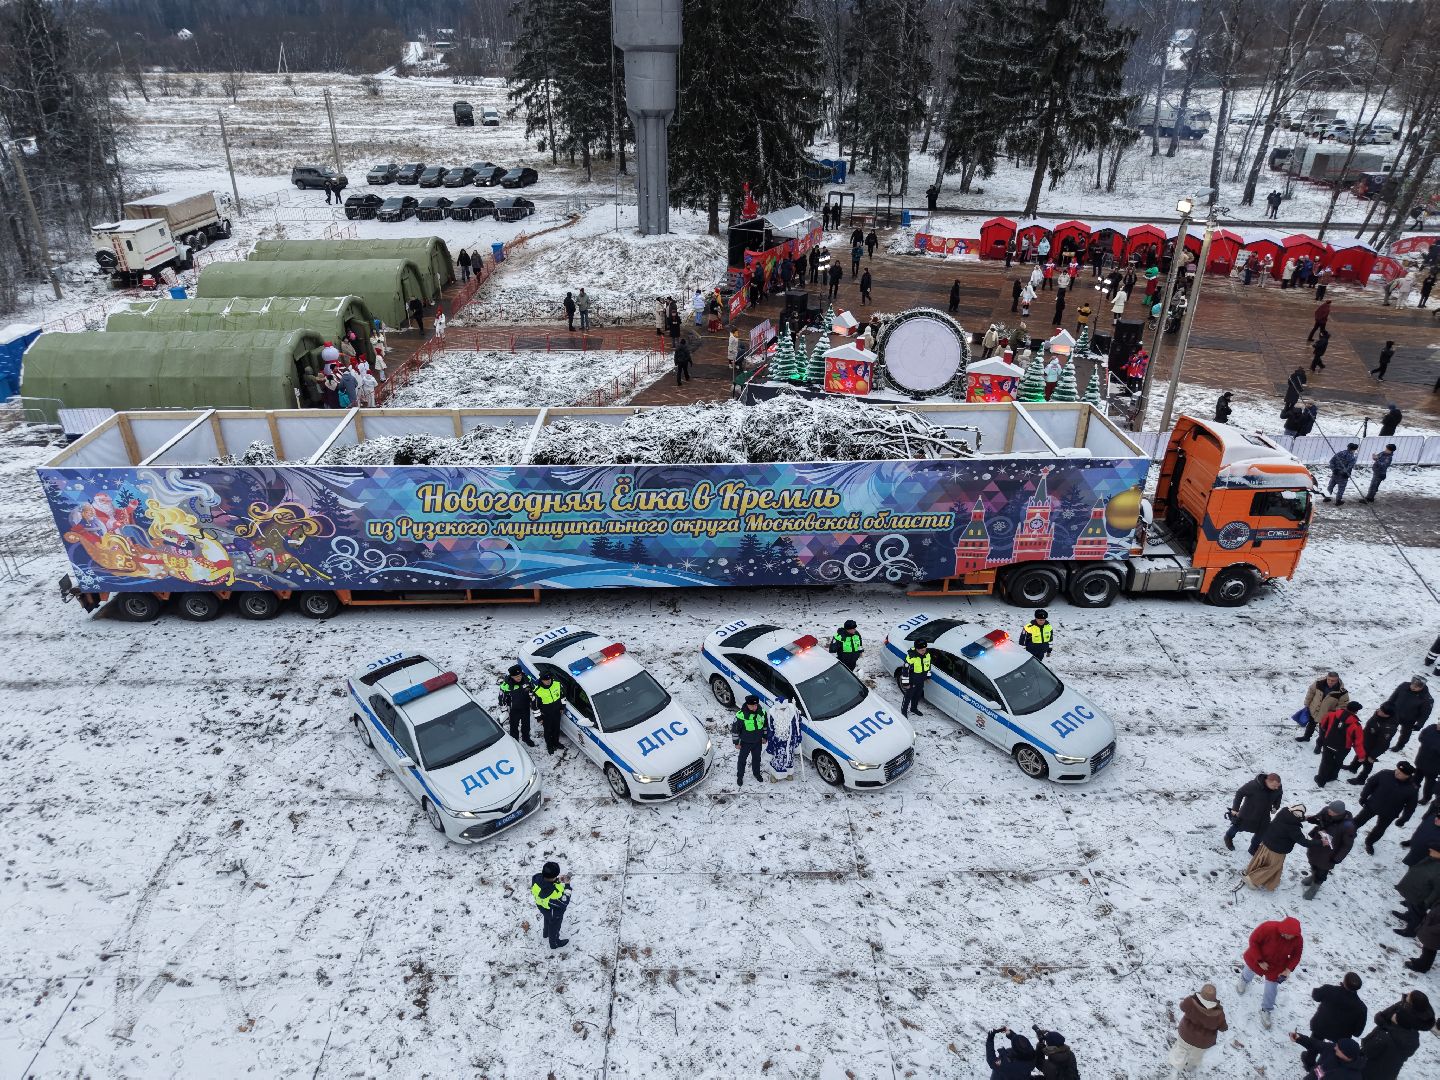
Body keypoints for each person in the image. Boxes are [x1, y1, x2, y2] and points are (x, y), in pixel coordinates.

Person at [1236, 916, 1303, 1026]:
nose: (1287, 937)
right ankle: (1243, 980)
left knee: (1271, 988)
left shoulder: (1298, 939)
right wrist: (1259, 960)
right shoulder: (1268, 927)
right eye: (1285, 934)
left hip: (1277, 965)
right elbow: (1253, 941)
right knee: (1249, 970)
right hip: (1258, 957)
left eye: (1290, 935)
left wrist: (1288, 969)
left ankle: (1266, 1009)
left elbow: (1296, 955)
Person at [1240, 804, 1316, 892]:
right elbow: (1304, 842)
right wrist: (1320, 842)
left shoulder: (1283, 813)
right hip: (1277, 851)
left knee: (1261, 860)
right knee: (1272, 867)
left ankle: (1250, 872)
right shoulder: (1294, 829)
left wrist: (1304, 818)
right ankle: (1252, 880)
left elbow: (1292, 818)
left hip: (1266, 843)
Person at [1359, 991, 1434, 1075]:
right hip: (1390, 1072)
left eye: (1396, 1015)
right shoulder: (1413, 1039)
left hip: (1370, 1071)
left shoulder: (1385, 1037)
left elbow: (1367, 1051)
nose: (1407, 994)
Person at [1355, 761, 1419, 854]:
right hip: (1373, 805)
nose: (1396, 772)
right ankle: (1348, 833)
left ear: (1407, 776)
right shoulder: (1385, 774)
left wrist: (1404, 819)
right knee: (1358, 820)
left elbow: (1411, 807)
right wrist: (1363, 796)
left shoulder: (1412, 788)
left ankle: (1369, 842)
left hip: (1389, 813)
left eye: (1400, 773)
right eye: (1397, 769)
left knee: (1379, 830)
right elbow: (1370, 783)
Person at [1169, 984, 1227, 1077]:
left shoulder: (1190, 1001)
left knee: (1180, 1049)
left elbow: (1182, 1007)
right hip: (1203, 1042)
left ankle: (1175, 1068)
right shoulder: (1219, 1013)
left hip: (1186, 1034)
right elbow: (1223, 1028)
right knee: (1196, 1055)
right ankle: (1190, 1067)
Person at [1302, 802, 1357, 899]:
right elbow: (1319, 818)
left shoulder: (1348, 826)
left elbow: (1347, 845)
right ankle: (1313, 876)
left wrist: (1337, 859)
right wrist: (1310, 819)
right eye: (1329, 809)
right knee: (1313, 862)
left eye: (1332, 812)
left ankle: (1315, 887)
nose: (1329, 812)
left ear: (1339, 813)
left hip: (1329, 853)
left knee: (1322, 871)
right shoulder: (1326, 811)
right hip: (1317, 843)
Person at [1303, 972, 1366, 1056]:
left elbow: (1315, 996)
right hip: (1341, 1037)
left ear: (1344, 981)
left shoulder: (1329, 990)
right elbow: (1357, 1033)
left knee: (1314, 1045)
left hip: (1320, 1026)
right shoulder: (1361, 1008)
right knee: (1334, 1054)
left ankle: (1309, 1060)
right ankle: (1326, 1066)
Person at [1226, 772, 1282, 853]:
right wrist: (1235, 808)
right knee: (1237, 826)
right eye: (1274, 786)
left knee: (1262, 832)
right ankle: (1228, 837)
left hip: (1264, 815)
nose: (1276, 788)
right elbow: (1240, 793)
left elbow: (1279, 795)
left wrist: (1276, 806)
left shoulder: (1277, 787)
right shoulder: (1254, 785)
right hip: (1249, 812)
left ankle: (1253, 848)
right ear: (1267, 781)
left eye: (1278, 786)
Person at [1315, 702, 1365, 788]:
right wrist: (1361, 756)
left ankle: (1321, 780)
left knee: (1326, 762)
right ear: (1356, 712)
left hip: (1328, 743)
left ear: (1346, 707)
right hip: (1343, 749)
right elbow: (1358, 742)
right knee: (1338, 762)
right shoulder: (1356, 726)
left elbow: (1323, 725)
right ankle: (1333, 776)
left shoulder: (1332, 714)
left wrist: (1324, 736)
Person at [1394, 842, 1440, 934]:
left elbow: (1437, 891)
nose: (1430, 849)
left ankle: (1411, 930)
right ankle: (1408, 916)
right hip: (1415, 890)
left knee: (1417, 914)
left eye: (1434, 849)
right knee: (1411, 906)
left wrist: (1426, 903)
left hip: (1421, 897)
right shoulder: (1432, 859)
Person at [1295, 671, 1350, 745]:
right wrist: (1307, 703)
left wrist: (1334, 715)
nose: (1330, 682)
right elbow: (1311, 691)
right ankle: (1306, 737)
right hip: (1314, 709)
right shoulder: (1319, 683)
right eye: (1329, 679)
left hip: (1326, 715)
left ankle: (1319, 746)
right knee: (1311, 724)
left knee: (1323, 731)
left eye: (1333, 681)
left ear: (1337, 680)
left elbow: (1343, 705)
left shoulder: (1342, 692)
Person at [1287, 1033, 1364, 1079]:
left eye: (1338, 1048)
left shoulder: (1354, 1077)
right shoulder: (1332, 1049)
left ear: (1346, 1055)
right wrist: (1299, 1038)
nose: (1335, 1047)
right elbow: (1315, 1044)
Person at [531, 860, 570, 950]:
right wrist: (567, 885)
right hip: (553, 910)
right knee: (554, 925)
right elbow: (565, 902)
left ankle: (546, 933)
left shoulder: (536, 878)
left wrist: (557, 880)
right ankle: (554, 943)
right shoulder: (554, 892)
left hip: (542, 906)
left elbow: (547, 883)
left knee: (547, 918)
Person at [731, 695, 768, 787]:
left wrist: (765, 737)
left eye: (756, 705)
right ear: (747, 704)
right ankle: (740, 776)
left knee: (756, 759)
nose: (755, 707)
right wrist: (736, 742)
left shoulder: (762, 712)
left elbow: (765, 726)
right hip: (745, 743)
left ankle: (756, 774)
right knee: (742, 760)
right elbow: (735, 730)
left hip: (757, 742)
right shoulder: (740, 715)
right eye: (752, 706)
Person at [763, 696, 801, 781]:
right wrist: (771, 743)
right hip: (777, 742)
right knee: (778, 759)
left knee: (789, 758)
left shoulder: (793, 712)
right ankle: (775, 775)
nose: (783, 711)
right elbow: (770, 730)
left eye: (784, 709)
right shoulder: (772, 714)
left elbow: (798, 725)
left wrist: (798, 737)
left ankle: (788, 773)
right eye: (781, 709)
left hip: (790, 741)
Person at [498, 665, 536, 746]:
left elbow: (531, 690)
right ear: (511, 677)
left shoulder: (527, 679)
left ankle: (526, 738)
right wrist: (504, 711)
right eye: (516, 677)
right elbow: (501, 699)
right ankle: (515, 743)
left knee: (526, 725)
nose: (518, 678)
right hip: (513, 710)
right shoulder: (506, 686)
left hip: (525, 707)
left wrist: (532, 698)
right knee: (514, 727)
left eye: (519, 675)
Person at [531, 673, 565, 755]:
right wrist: (539, 718)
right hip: (546, 715)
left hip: (557, 712)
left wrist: (562, 707)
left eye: (549, 679)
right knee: (548, 731)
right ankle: (549, 746)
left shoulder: (557, 684)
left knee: (556, 729)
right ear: (542, 680)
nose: (548, 681)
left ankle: (556, 743)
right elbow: (534, 706)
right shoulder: (537, 691)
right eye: (546, 680)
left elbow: (563, 696)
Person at [901, 641, 931, 717]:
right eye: (922, 650)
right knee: (908, 697)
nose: (924, 651)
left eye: (925, 649)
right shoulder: (911, 657)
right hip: (912, 681)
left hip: (921, 680)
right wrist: (905, 683)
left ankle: (913, 708)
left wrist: (927, 676)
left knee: (917, 695)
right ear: (917, 649)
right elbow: (905, 671)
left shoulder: (927, 654)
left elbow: (928, 666)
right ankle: (903, 712)